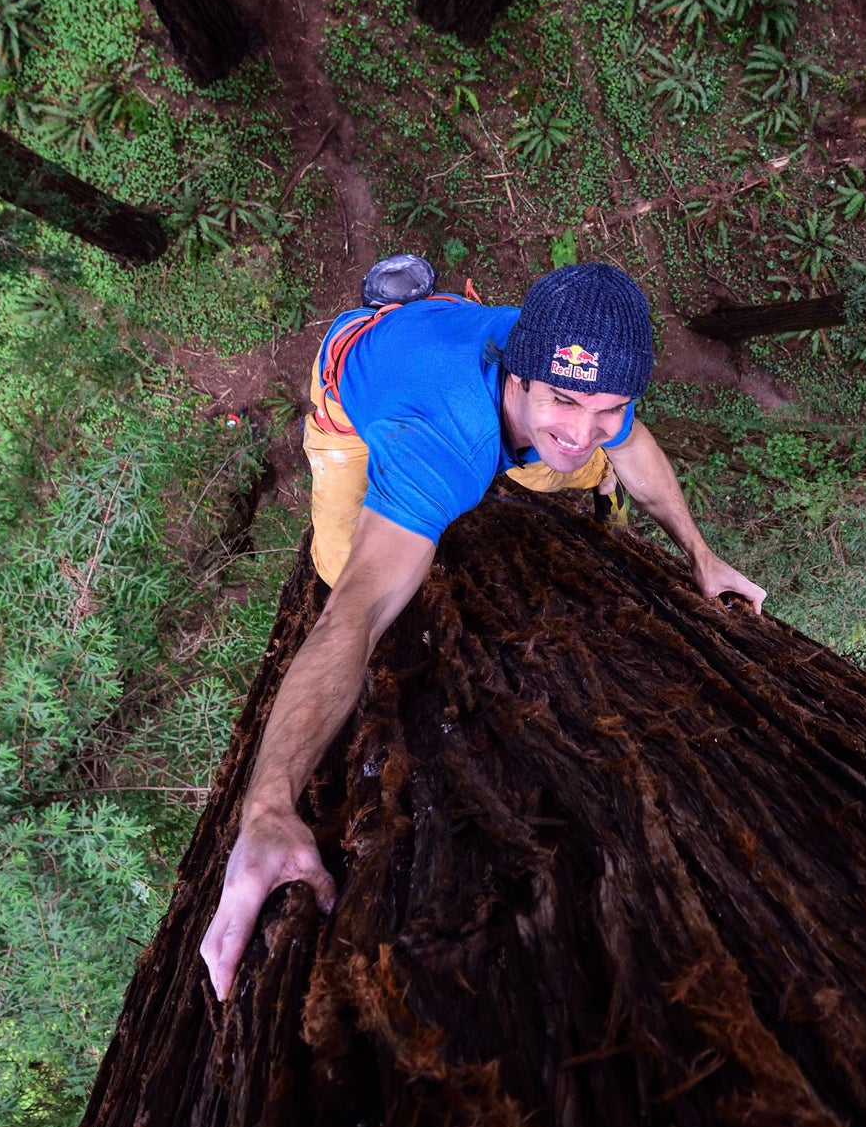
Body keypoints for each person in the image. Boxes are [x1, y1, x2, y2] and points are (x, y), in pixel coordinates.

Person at [198, 260, 766, 1000]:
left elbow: (628, 441)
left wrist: (701, 553)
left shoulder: (571, 369)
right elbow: (357, 616)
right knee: (342, 568)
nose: (584, 425)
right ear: (521, 378)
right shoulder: (444, 444)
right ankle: (381, 327)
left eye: (607, 406)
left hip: (449, 354)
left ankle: (424, 324)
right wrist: (269, 809)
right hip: (356, 394)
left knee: (571, 462)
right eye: (564, 400)